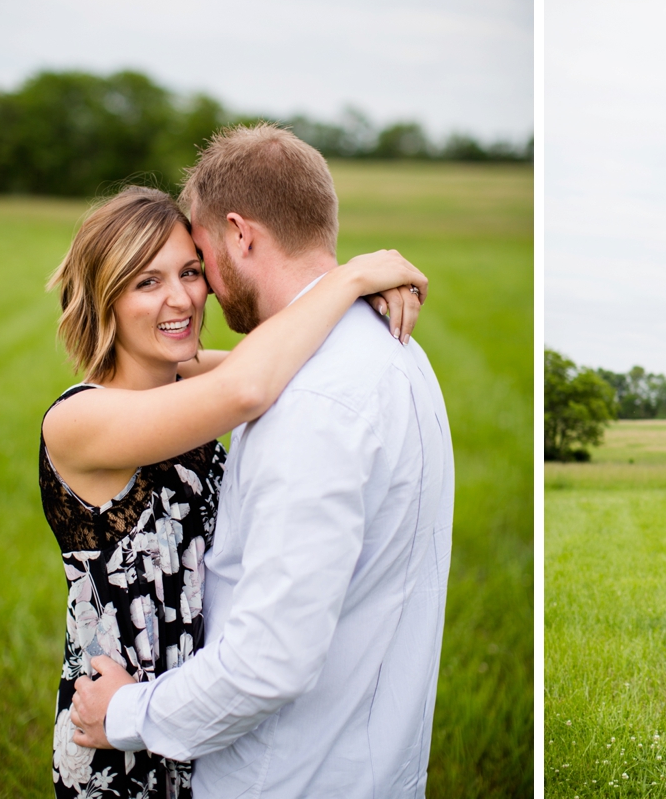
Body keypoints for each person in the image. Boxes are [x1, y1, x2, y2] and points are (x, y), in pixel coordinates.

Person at [70, 124, 456, 799]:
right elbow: (242, 383)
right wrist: (353, 278)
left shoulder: (310, 395)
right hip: (132, 722)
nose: (197, 295)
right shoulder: (390, 355)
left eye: (196, 266)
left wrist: (341, 289)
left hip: (267, 765)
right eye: (148, 280)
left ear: (240, 235)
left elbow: (270, 659)